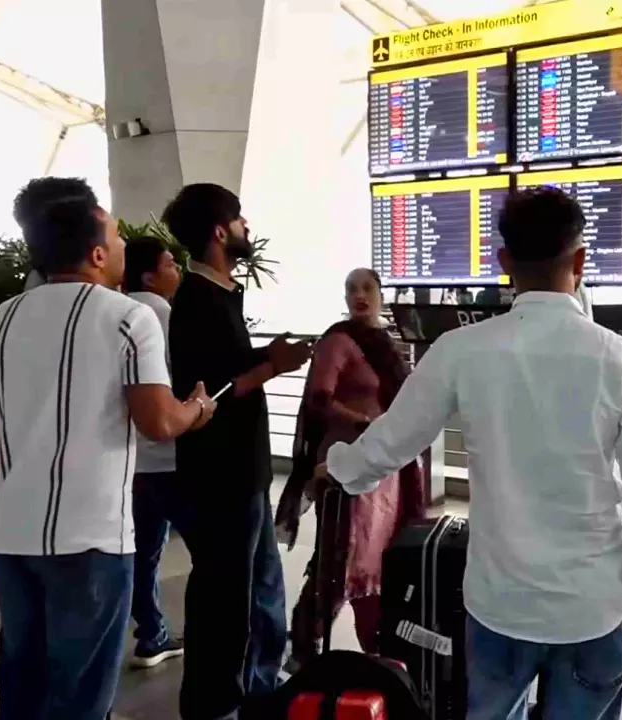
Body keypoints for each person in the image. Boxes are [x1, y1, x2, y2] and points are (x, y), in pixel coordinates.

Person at [316, 186, 622, 720]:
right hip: (593, 604)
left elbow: (390, 441)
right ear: (580, 261)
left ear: (503, 262)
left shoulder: (460, 352)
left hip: (499, 602)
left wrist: (338, 468)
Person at [0, 177, 216, 720]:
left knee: (22, 681)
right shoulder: (127, 318)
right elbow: (158, 422)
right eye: (118, 238)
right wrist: (197, 408)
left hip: (11, 538)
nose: (126, 246)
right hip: (92, 540)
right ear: (98, 254)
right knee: (79, 695)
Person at [163, 183, 313, 720]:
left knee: (262, 591)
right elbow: (215, 391)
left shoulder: (220, 293)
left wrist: (265, 358)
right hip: (220, 478)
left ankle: (258, 689)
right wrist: (275, 364)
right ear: (220, 231)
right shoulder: (197, 301)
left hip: (244, 475)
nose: (248, 226)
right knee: (225, 598)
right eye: (240, 219)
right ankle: (215, 704)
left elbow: (229, 369)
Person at [278, 267, 425, 661]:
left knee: (376, 557)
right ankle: (305, 645)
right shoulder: (339, 341)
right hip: (344, 466)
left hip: (384, 467)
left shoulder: (387, 343)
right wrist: (365, 423)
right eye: (351, 289)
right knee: (342, 556)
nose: (359, 295)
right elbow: (318, 399)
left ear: (380, 294)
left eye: (367, 288)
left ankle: (379, 649)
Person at [123, 236, 188, 668]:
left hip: (132, 460)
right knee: (218, 551)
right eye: (170, 263)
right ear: (150, 275)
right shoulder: (162, 313)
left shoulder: (118, 312)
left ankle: (152, 634)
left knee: (141, 554)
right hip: (171, 456)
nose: (177, 270)